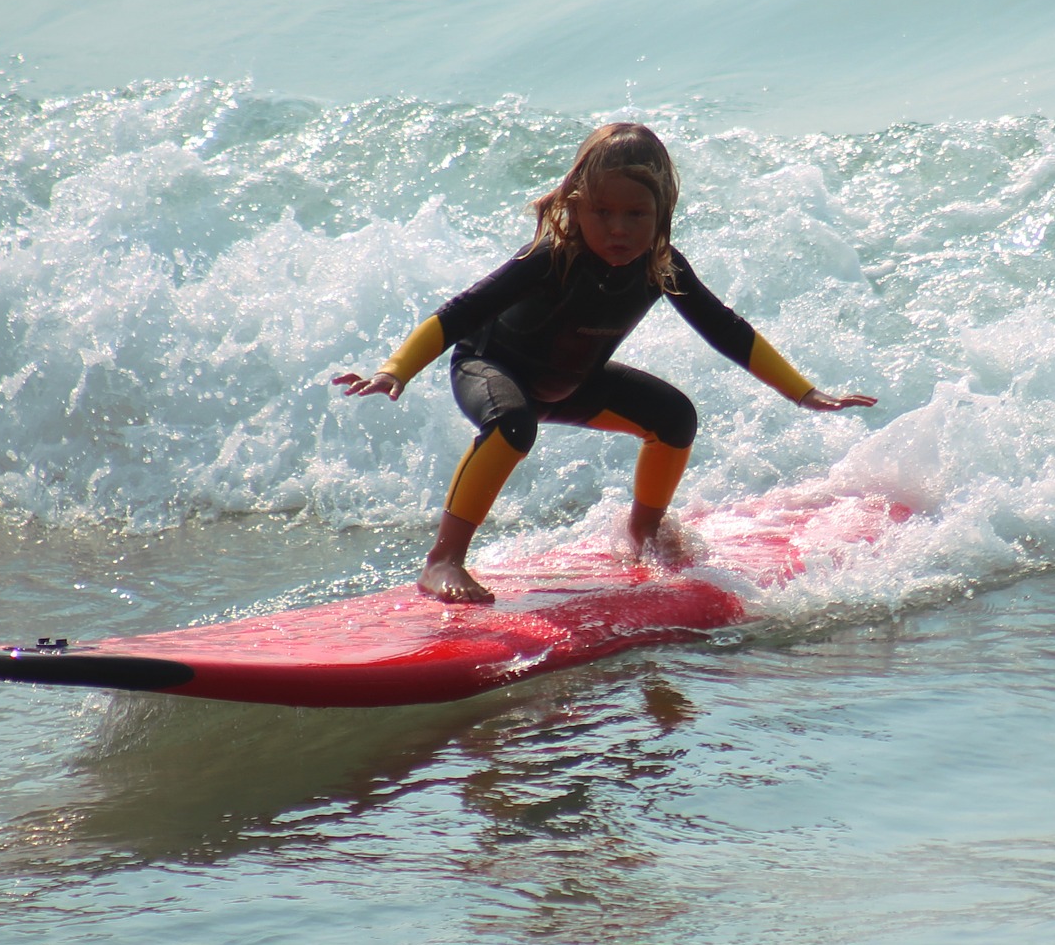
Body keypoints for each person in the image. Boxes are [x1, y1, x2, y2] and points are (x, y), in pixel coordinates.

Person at [332, 122, 876, 603]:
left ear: (662, 213)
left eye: (636, 214)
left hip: (572, 385)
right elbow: (458, 315)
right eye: (603, 212)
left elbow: (727, 330)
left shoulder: (661, 267)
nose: (619, 228)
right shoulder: (548, 259)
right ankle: (443, 560)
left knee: (674, 418)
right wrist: (395, 369)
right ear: (575, 205)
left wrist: (804, 392)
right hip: (491, 370)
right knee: (513, 426)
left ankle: (643, 537)